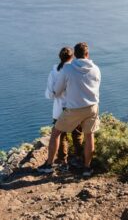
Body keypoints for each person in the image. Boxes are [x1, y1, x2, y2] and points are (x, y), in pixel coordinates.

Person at [38, 42, 101, 177]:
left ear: (75, 56)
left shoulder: (68, 70)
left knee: (56, 133)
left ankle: (49, 165)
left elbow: (57, 90)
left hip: (74, 109)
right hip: (92, 107)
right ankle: (87, 168)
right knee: (89, 136)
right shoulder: (96, 69)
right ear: (87, 54)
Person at [45, 47, 84, 171]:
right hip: (74, 107)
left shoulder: (54, 72)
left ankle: (62, 161)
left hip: (59, 109)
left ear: (60, 57)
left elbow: (51, 94)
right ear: (72, 57)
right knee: (77, 134)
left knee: (61, 136)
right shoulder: (75, 70)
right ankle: (79, 158)